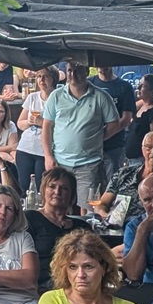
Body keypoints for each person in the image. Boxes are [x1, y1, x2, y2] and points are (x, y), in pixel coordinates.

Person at [42, 62, 120, 206]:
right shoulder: (56, 96)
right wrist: (48, 155)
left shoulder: (101, 96)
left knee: (89, 208)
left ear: (87, 72)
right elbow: (47, 126)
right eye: (70, 71)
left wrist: (96, 138)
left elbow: (114, 124)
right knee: (57, 204)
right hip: (59, 162)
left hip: (89, 164)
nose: (73, 75)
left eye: (77, 71)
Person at [23, 167, 90, 288]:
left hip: (78, 280)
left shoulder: (82, 227)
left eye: (64, 188)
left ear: (72, 194)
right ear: (43, 190)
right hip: (44, 283)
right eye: (52, 186)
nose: (57, 192)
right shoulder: (30, 218)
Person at [101, 129, 153, 224]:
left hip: (147, 229)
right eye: (148, 147)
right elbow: (103, 203)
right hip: (115, 226)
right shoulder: (124, 173)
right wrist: (106, 217)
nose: (152, 152)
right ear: (142, 150)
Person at [87, 66, 137, 172]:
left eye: (105, 63)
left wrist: (101, 137)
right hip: (89, 147)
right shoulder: (88, 83)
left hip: (114, 145)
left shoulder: (124, 87)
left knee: (113, 182)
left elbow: (126, 119)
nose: (102, 66)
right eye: (99, 63)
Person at [14, 66, 57, 189]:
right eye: (39, 76)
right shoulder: (32, 97)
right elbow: (20, 124)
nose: (41, 80)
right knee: (22, 186)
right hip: (25, 148)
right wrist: (29, 122)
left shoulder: (58, 98)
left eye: (45, 76)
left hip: (44, 151)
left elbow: (62, 126)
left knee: (41, 187)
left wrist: (42, 122)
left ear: (53, 79)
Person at [124, 72, 153, 161]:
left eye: (143, 86)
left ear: (152, 92)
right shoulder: (141, 106)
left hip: (142, 160)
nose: (138, 88)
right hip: (130, 159)